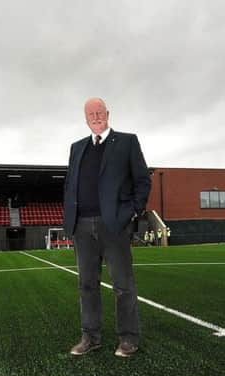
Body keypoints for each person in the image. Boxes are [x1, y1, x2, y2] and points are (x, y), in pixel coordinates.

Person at [63, 97, 151, 357]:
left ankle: (128, 339)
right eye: (91, 113)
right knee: (87, 285)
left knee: (123, 285)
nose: (96, 116)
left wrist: (131, 211)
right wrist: (72, 217)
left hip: (114, 225)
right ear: (85, 118)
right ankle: (91, 337)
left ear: (108, 113)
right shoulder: (77, 147)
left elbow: (142, 180)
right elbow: (70, 183)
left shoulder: (127, 141)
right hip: (82, 226)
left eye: (99, 111)